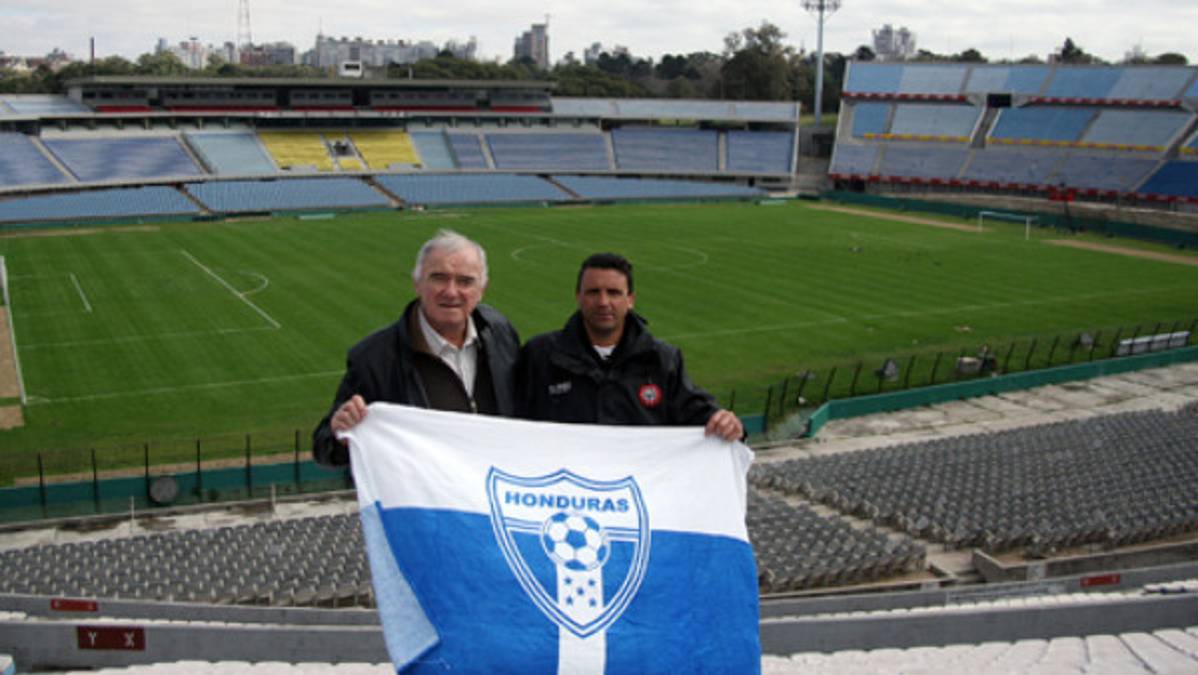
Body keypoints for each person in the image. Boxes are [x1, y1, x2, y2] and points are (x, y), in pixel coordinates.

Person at [312, 229, 520, 466]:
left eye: (465, 281)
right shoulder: (375, 358)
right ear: (417, 283)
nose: (451, 291)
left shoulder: (500, 333)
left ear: (482, 290)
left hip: (492, 483)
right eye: (439, 278)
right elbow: (323, 446)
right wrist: (340, 435)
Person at [517, 252, 743, 441]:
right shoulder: (540, 355)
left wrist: (724, 421)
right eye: (593, 292)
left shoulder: (662, 360)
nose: (603, 302)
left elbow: (696, 412)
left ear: (630, 300)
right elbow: (511, 421)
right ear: (578, 297)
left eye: (614, 293)